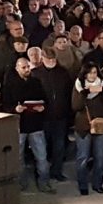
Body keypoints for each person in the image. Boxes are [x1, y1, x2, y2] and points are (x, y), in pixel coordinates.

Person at [1, 57, 55, 193]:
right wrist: (15, 109)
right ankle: (20, 183)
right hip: (19, 126)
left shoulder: (36, 82)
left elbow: (45, 100)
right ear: (17, 68)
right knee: (18, 157)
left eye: (28, 67)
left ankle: (44, 182)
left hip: (36, 124)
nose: (26, 70)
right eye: (23, 67)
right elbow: (4, 106)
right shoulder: (10, 85)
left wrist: (43, 108)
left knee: (42, 156)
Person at [32, 48, 74, 182]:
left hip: (60, 116)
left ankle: (57, 171)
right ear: (42, 59)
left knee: (59, 145)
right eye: (48, 59)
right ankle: (41, 172)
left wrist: (68, 113)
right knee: (41, 147)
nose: (51, 62)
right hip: (42, 117)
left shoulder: (63, 73)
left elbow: (68, 93)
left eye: (53, 59)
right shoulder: (36, 74)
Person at [72, 64, 103, 195]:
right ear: (84, 74)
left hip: (100, 126)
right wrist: (86, 92)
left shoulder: (102, 86)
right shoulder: (78, 87)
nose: (92, 75)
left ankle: (97, 184)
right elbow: (75, 106)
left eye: (95, 72)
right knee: (83, 157)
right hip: (83, 127)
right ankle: (83, 185)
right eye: (89, 73)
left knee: (99, 157)